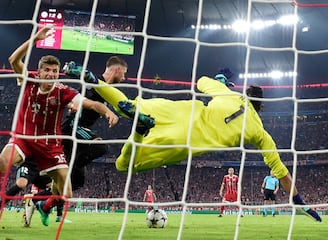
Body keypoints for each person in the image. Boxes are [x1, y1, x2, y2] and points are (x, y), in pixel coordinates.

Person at [69, 66, 322, 222]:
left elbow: (202, 81)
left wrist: (220, 82)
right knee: (125, 165)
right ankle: (139, 130)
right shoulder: (260, 132)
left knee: (128, 106)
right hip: (185, 139)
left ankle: (94, 80)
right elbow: (282, 173)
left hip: (181, 110)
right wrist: (299, 202)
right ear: (261, 107)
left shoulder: (230, 94)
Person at [0, 26, 119, 232]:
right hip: (23, 138)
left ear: (58, 74)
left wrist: (107, 112)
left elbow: (90, 103)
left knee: (66, 192)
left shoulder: (63, 91)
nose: (50, 74)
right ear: (39, 71)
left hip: (51, 146)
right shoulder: (28, 81)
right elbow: (14, 60)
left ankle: (44, 205)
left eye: (54, 71)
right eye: (47, 70)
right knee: (3, 160)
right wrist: (34, 39)